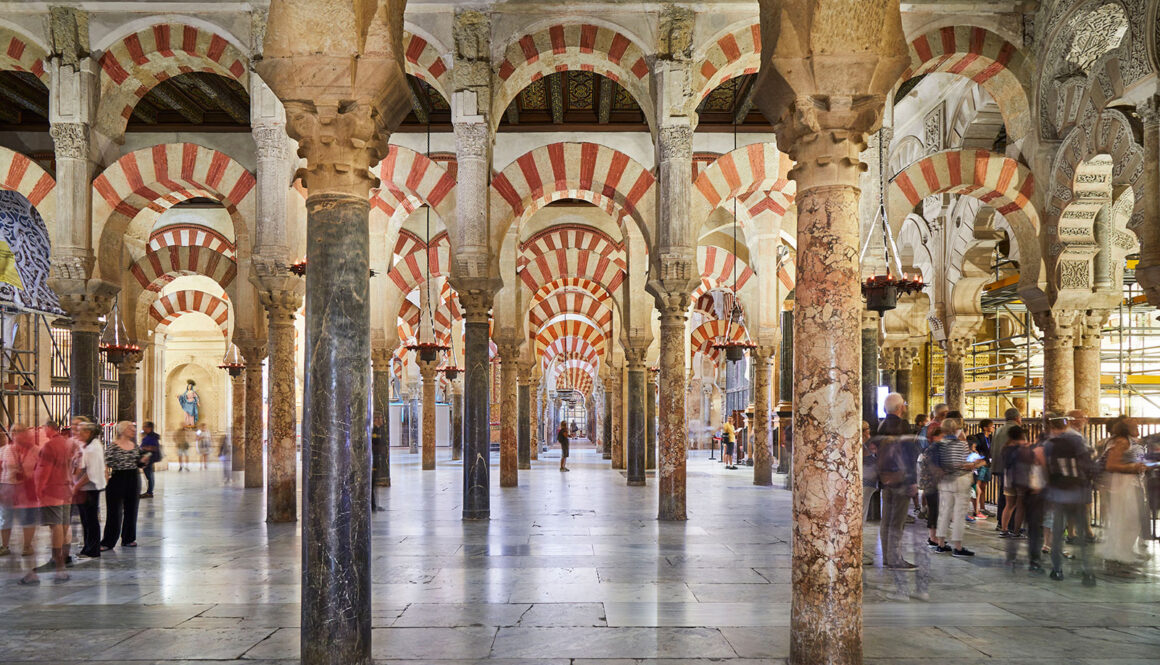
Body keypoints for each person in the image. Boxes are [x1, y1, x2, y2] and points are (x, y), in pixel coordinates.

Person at [1043, 413, 1095, 585]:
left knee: (1057, 534)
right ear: (1065, 425)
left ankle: (1057, 570)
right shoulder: (1077, 441)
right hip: (1077, 491)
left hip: (1058, 493)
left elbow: (1046, 470)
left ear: (1051, 427)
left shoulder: (1049, 445)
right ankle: (1088, 573)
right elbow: (1087, 464)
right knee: (1080, 534)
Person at [22, 421, 76, 584]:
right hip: (66, 489)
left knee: (56, 525)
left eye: (44, 428)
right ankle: (62, 560)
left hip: (53, 491)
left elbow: (43, 471)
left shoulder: (49, 446)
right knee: (64, 524)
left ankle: (57, 562)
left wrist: (39, 491)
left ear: (49, 428)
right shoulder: (67, 444)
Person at [1099, 417, 1149, 575]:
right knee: (1127, 520)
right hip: (1125, 485)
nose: (1138, 425)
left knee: (1132, 520)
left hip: (1133, 484)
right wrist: (1133, 467)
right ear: (1127, 427)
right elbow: (1111, 465)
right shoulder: (1122, 442)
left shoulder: (1132, 441)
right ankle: (1119, 557)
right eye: (1134, 424)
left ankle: (1122, 555)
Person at [876, 392, 918, 570]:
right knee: (897, 521)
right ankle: (895, 559)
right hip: (901, 479)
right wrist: (912, 481)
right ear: (901, 407)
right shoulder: (902, 426)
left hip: (885, 479)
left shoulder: (881, 425)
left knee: (886, 519)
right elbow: (910, 455)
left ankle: (887, 557)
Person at [934, 416, 985, 557]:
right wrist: (975, 464)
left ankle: (941, 543)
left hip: (944, 481)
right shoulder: (962, 445)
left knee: (944, 512)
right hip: (961, 480)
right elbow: (967, 462)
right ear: (956, 429)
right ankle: (958, 546)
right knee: (959, 514)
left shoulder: (938, 445)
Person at [101, 421, 148, 551]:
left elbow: (139, 463)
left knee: (132, 510)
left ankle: (128, 538)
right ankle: (108, 541)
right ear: (122, 430)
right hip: (118, 478)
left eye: (133, 428)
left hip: (133, 478)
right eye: (130, 428)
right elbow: (105, 462)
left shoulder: (135, 446)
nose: (133, 430)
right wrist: (105, 477)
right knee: (114, 512)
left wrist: (143, 461)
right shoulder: (113, 446)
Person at [3, 423, 38, 557]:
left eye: (19, 431)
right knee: (5, 517)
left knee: (27, 517)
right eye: (13, 431)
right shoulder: (6, 450)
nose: (15, 434)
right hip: (8, 487)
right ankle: (4, 546)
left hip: (27, 488)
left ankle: (27, 546)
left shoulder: (35, 450)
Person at [72, 421, 105, 559]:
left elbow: (89, 474)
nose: (77, 433)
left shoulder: (92, 448)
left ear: (88, 432)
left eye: (80, 431)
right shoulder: (92, 444)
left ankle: (93, 550)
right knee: (86, 520)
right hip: (85, 488)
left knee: (90, 520)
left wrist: (75, 487)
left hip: (89, 488)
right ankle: (87, 548)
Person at [991, 407, 1022, 533]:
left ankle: (1001, 522)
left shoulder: (999, 429)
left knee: (1002, 494)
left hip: (999, 465)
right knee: (1012, 497)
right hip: (1011, 468)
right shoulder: (1016, 430)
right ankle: (1011, 524)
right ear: (1017, 418)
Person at [968, 419, 994, 518]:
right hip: (980, 464)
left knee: (984, 486)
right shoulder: (978, 437)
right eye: (991, 426)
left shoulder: (991, 437)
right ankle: (977, 509)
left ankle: (983, 508)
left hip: (988, 463)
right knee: (978, 486)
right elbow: (975, 449)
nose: (993, 428)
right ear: (985, 428)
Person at [139, 422, 161, 498]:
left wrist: (144, 448)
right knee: (149, 475)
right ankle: (149, 491)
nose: (143, 428)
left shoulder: (152, 437)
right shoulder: (149, 436)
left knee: (149, 476)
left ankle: (149, 492)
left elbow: (154, 448)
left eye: (145, 427)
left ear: (149, 428)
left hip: (148, 458)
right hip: (147, 457)